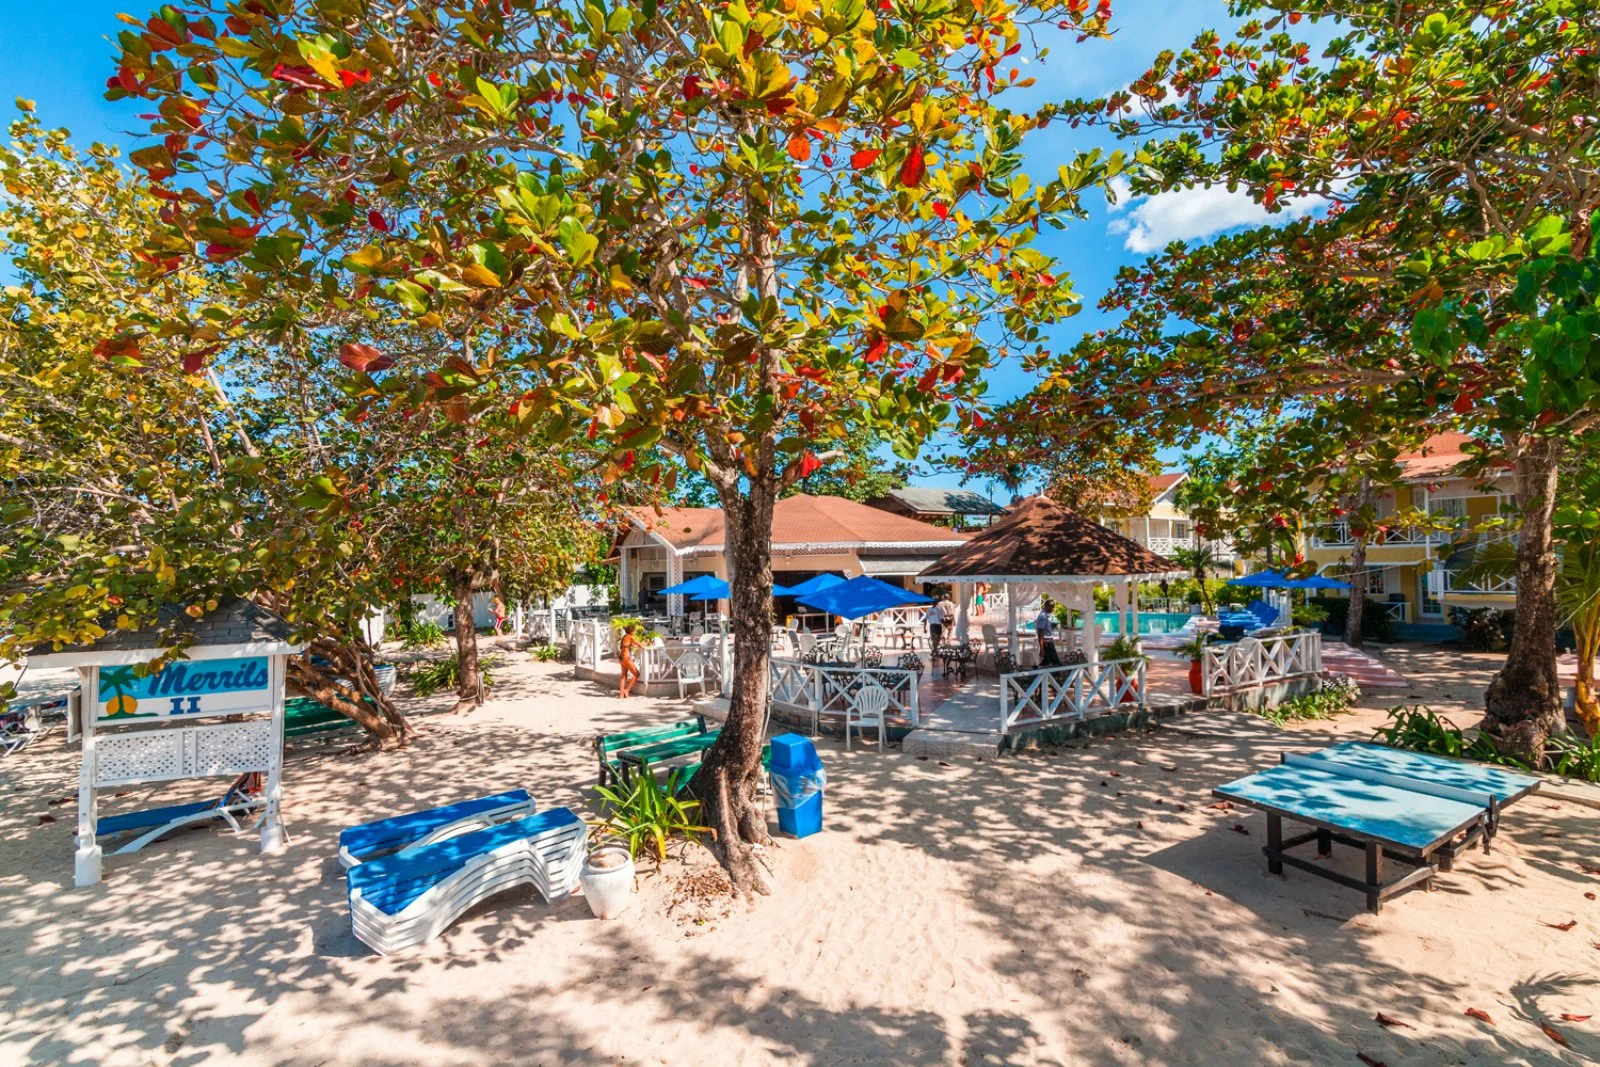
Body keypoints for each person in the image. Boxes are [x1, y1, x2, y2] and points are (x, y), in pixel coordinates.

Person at [618, 623, 643, 698]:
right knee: (637, 674)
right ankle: (627, 690)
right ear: (632, 631)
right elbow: (640, 645)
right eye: (635, 630)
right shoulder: (630, 637)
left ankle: (621, 694)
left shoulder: (624, 637)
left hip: (621, 658)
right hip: (626, 658)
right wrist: (644, 644)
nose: (635, 631)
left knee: (623, 676)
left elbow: (630, 645)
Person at [1035, 598, 1061, 667]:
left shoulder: (1047, 615)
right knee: (1055, 662)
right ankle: (1056, 672)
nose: (1053, 609)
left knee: (1046, 661)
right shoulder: (1043, 616)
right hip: (1046, 641)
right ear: (1047, 606)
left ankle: (1041, 670)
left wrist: (1052, 626)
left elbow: (1046, 628)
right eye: (1052, 607)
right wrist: (1041, 648)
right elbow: (1040, 633)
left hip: (1049, 639)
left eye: (1053, 607)